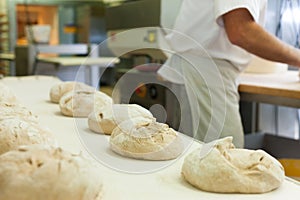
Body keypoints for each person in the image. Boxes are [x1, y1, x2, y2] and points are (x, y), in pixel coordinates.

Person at [158, 0, 300, 148]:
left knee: (204, 158)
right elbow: (240, 31)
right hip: (207, 74)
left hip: (202, 71)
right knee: (224, 160)